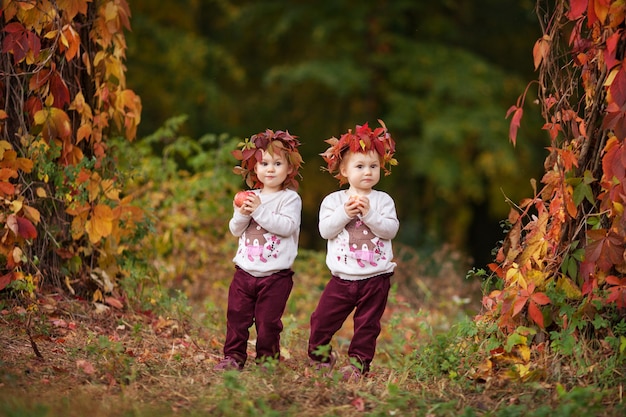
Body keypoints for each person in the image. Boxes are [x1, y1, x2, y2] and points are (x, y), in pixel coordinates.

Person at [308, 120, 399, 381]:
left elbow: (390, 230)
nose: (367, 172)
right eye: (359, 167)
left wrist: (369, 214)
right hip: (342, 279)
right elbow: (326, 231)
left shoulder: (382, 201)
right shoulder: (334, 201)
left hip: (376, 278)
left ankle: (358, 365)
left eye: (373, 166)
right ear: (344, 170)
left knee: (367, 326)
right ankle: (321, 358)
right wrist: (345, 213)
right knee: (321, 320)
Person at [214, 129, 303, 371]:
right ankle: (233, 357)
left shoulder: (290, 199)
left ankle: (267, 360)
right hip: (244, 272)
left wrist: (258, 211)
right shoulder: (249, 196)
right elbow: (235, 229)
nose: (270, 169)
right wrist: (243, 213)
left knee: (268, 322)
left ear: (289, 169)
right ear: (255, 169)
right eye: (264, 163)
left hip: (275, 275)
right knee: (236, 317)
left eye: (277, 163)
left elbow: (286, 227)